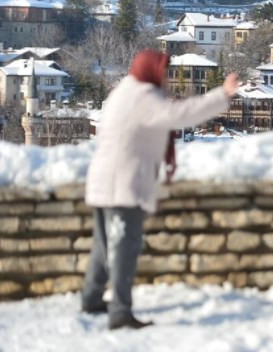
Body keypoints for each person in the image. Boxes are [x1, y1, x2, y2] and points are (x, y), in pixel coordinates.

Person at [81, 50, 239, 330]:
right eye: (164, 71)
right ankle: (119, 312)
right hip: (122, 186)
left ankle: (92, 299)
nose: (166, 78)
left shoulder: (124, 91)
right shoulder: (142, 96)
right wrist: (222, 95)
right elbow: (179, 115)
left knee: (105, 245)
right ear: (152, 71)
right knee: (123, 249)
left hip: (105, 180)